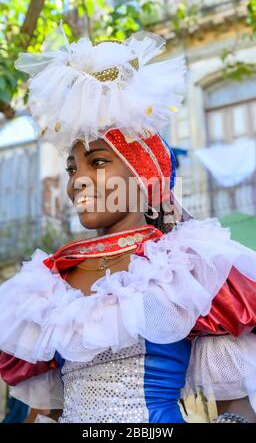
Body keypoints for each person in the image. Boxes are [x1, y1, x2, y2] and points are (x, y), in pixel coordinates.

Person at [0, 28, 256, 424]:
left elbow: (236, 407)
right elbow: (44, 411)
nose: (77, 180)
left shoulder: (186, 269)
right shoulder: (47, 283)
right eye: (72, 168)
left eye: (98, 162)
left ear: (142, 174)